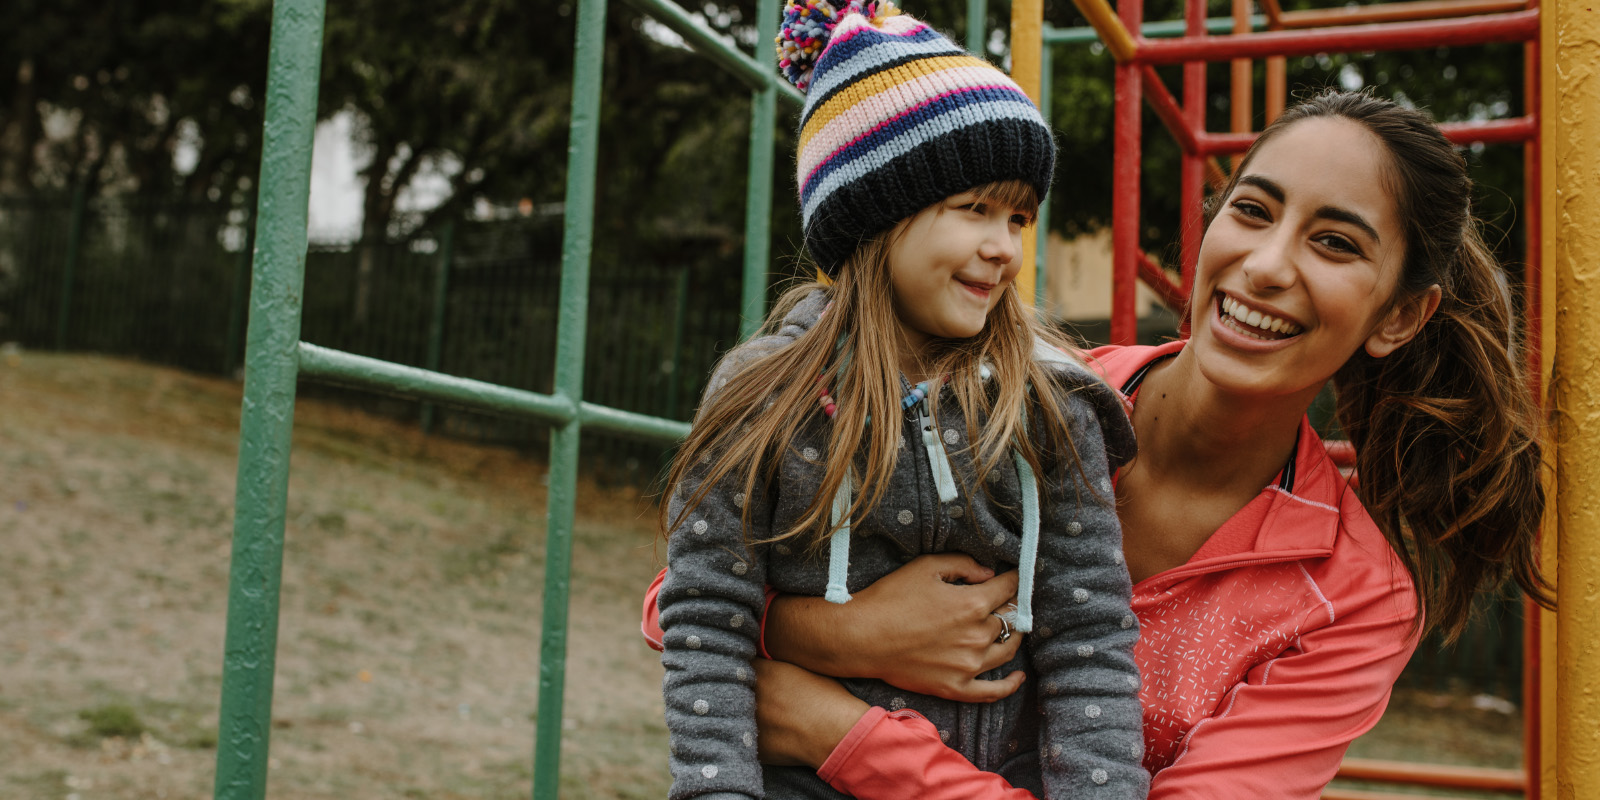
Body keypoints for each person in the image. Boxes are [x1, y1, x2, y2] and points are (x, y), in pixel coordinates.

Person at [646, 89, 1550, 798]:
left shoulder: (1351, 602)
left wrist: (836, 731)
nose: (1268, 265)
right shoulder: (1019, 396)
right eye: (1252, 210)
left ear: (1399, 315)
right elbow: (679, 599)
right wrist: (846, 633)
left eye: (1336, 244)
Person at [654, 1, 1151, 797]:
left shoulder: (1051, 404)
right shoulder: (766, 394)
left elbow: (1089, 638)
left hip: (991, 775)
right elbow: (706, 613)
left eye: (1019, 218)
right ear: (876, 216)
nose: (1006, 248)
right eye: (976, 209)